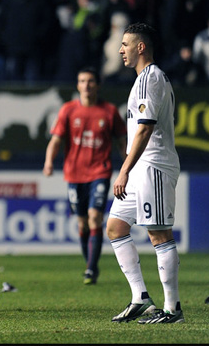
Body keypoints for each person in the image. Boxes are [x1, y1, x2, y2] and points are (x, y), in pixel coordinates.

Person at [108, 23, 184, 324]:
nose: (120, 50)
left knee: (158, 234)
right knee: (115, 227)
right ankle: (140, 297)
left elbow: (144, 130)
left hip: (153, 165)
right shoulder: (142, 80)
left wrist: (123, 170)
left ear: (141, 47)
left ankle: (172, 309)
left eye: (125, 44)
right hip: (142, 167)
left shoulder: (149, 79)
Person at [43, 66, 127, 285]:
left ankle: (90, 268)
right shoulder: (68, 110)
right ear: (77, 85)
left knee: (95, 218)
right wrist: (49, 162)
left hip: (100, 171)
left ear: (97, 85)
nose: (86, 85)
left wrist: (129, 164)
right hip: (74, 174)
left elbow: (122, 140)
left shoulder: (109, 111)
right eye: (82, 81)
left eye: (90, 81)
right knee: (82, 224)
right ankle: (91, 264)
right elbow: (56, 140)